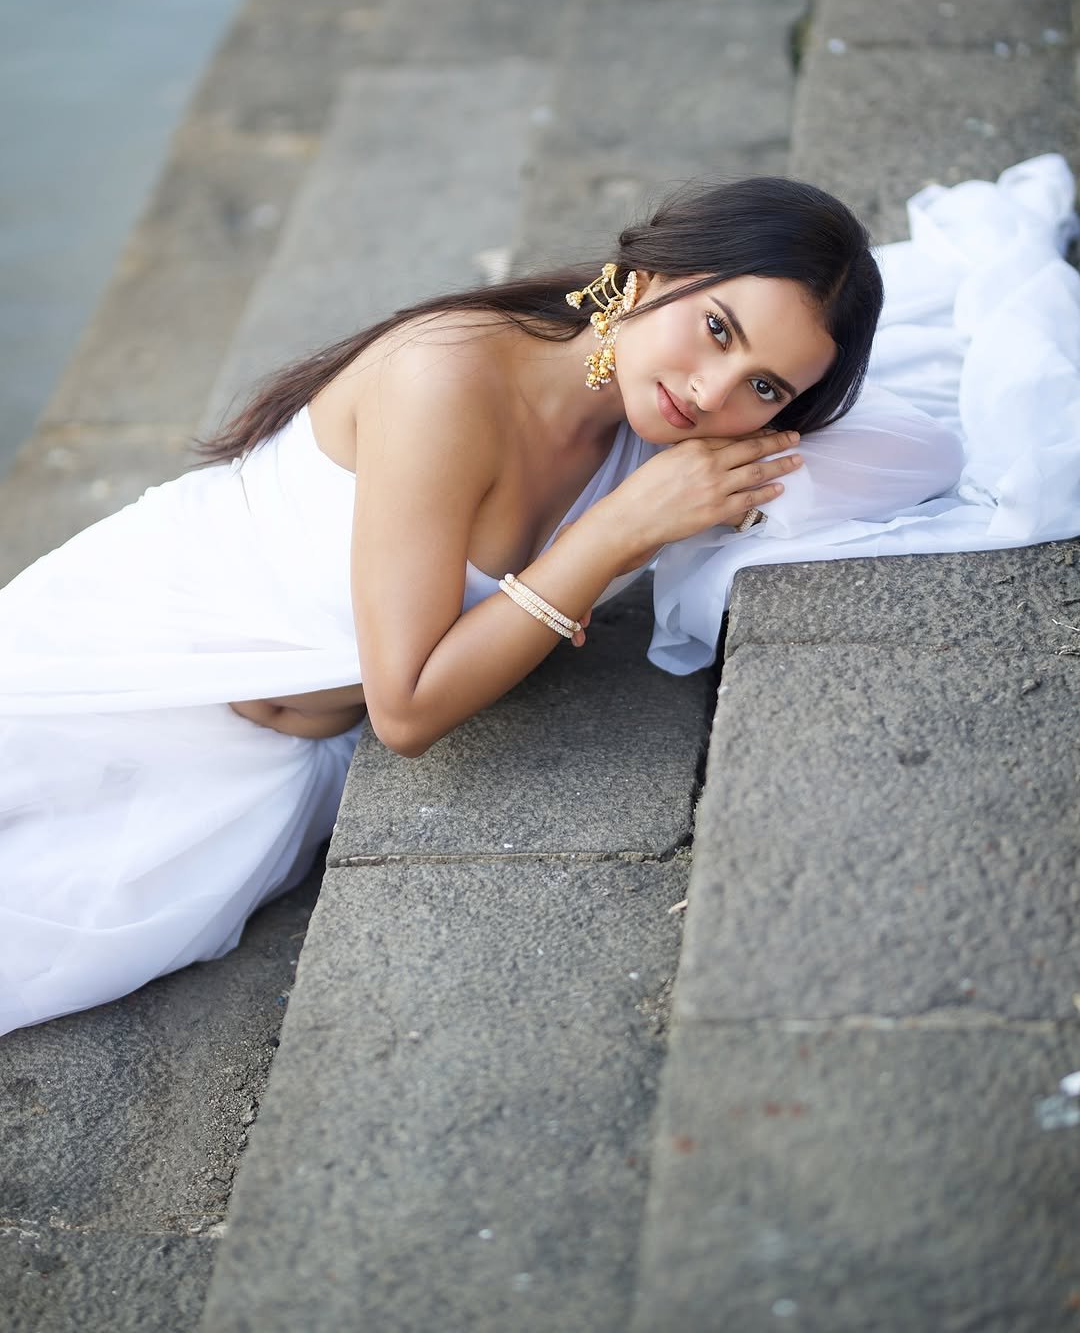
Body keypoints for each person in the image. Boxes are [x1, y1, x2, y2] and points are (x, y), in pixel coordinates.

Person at [0, 175, 949, 1036]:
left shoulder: (653, 432)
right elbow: (408, 710)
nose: (712, 393)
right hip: (113, 669)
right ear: (647, 275)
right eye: (717, 330)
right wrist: (614, 535)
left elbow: (918, 458)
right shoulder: (444, 377)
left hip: (251, 784)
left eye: (765, 387)